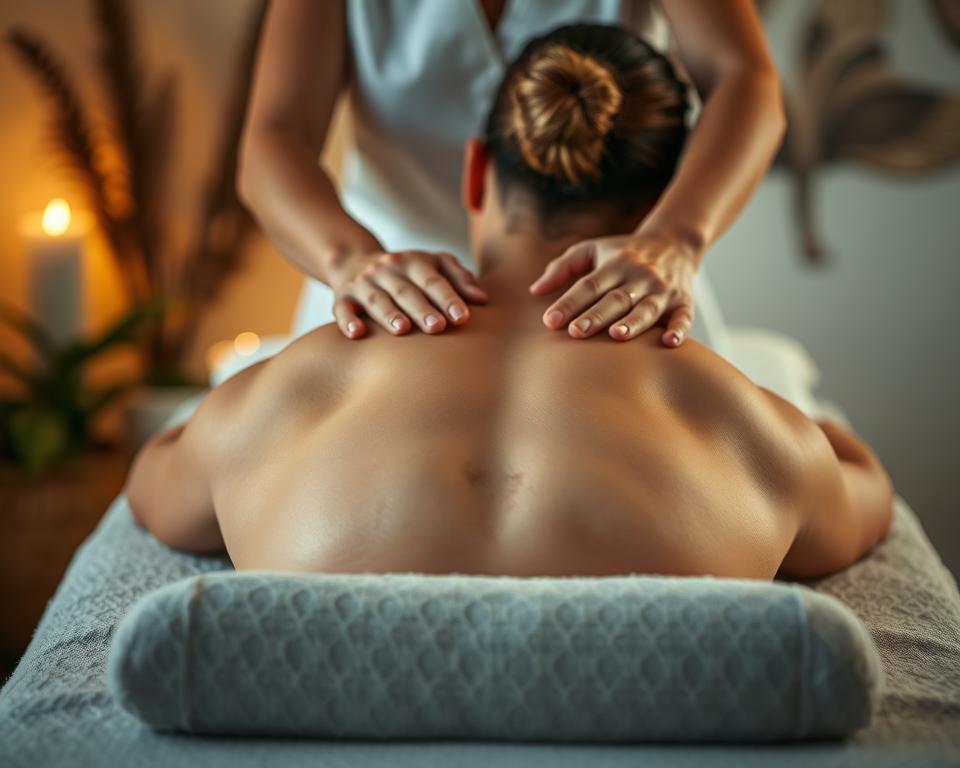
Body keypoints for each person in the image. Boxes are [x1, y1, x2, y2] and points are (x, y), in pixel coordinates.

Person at [128, 24, 892, 580]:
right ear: (656, 196)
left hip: (378, 323)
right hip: (394, 280)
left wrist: (680, 240)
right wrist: (806, 425)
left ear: (474, 174)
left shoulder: (292, 393)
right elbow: (864, 499)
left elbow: (153, 485)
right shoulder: (734, 419)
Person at [237, 0, 785, 353]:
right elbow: (275, 135)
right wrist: (348, 259)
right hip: (385, 287)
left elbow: (745, 79)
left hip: (623, 285)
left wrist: (677, 239)